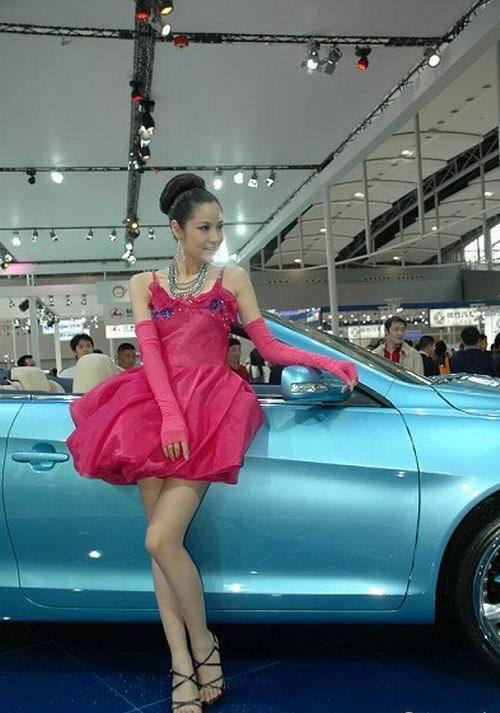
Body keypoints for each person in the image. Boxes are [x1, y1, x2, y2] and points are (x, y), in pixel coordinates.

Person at [66, 173, 358, 713]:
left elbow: (267, 344)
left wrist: (330, 361)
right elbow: (152, 356)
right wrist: (170, 417)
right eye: (204, 227)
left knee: (160, 541)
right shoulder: (145, 283)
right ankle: (182, 664)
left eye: (219, 226)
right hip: (152, 409)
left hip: (212, 408)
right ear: (177, 230)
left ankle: (204, 645)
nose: (214, 237)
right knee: (160, 546)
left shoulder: (233, 277)